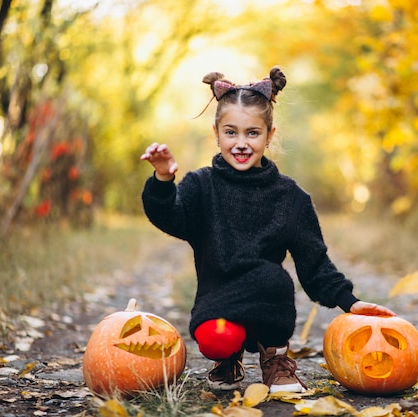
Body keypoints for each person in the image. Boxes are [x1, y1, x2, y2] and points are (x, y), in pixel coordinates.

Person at [140, 66, 396, 393]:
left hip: (269, 302)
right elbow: (170, 217)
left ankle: (274, 356)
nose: (241, 143)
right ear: (216, 133)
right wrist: (163, 180)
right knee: (217, 338)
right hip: (219, 300)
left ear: (269, 135)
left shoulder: (290, 197)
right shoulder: (201, 186)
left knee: (273, 279)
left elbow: (314, 262)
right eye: (231, 132)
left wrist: (350, 301)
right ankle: (228, 358)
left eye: (253, 133)